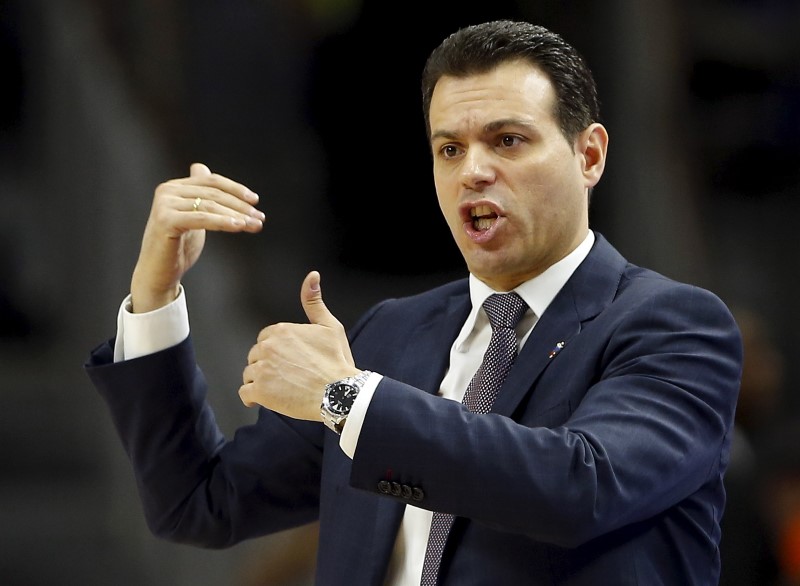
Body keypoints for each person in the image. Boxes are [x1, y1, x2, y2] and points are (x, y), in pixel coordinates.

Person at [84, 19, 743, 585]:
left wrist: (344, 399)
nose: (473, 171)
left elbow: (580, 489)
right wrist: (155, 294)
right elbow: (201, 504)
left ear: (589, 154)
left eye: (507, 140)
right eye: (449, 149)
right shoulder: (391, 337)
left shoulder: (674, 326)